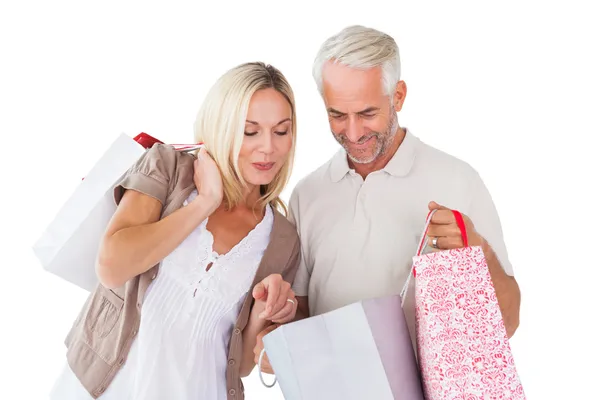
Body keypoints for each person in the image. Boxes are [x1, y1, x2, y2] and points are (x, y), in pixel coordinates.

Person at [254, 25, 522, 373]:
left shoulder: (457, 181)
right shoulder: (308, 194)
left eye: (367, 114)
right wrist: (275, 338)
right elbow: (303, 314)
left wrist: (477, 250)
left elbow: (509, 321)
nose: (352, 133)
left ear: (398, 96)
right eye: (337, 115)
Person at [50, 62, 301, 400]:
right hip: (107, 388)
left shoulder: (283, 239)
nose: (268, 147)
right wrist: (205, 203)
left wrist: (260, 315)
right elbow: (112, 267)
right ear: (222, 126)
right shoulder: (168, 168)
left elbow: (238, 365)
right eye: (250, 131)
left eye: (281, 131)